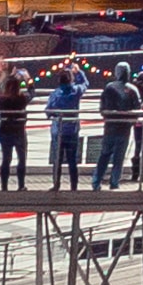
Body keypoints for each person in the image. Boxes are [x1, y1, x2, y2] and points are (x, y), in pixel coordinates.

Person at [93, 62, 140, 192]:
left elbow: (102, 108)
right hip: (124, 129)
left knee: (104, 155)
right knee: (119, 158)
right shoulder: (132, 89)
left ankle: (96, 182)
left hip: (110, 128)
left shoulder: (109, 87)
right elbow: (137, 109)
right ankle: (114, 183)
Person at [44, 65, 85, 197]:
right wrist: (79, 72)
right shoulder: (76, 91)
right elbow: (85, 83)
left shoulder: (55, 94)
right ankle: (74, 186)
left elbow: (48, 111)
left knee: (58, 160)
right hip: (72, 130)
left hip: (58, 131)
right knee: (72, 160)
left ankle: (56, 184)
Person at [0, 62, 30, 196]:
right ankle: (21, 185)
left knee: (6, 159)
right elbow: (32, 92)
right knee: (21, 158)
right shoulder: (22, 98)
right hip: (19, 130)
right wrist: (27, 79)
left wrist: (9, 77)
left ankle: (4, 186)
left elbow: (0, 92)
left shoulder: (2, 99)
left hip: (5, 130)